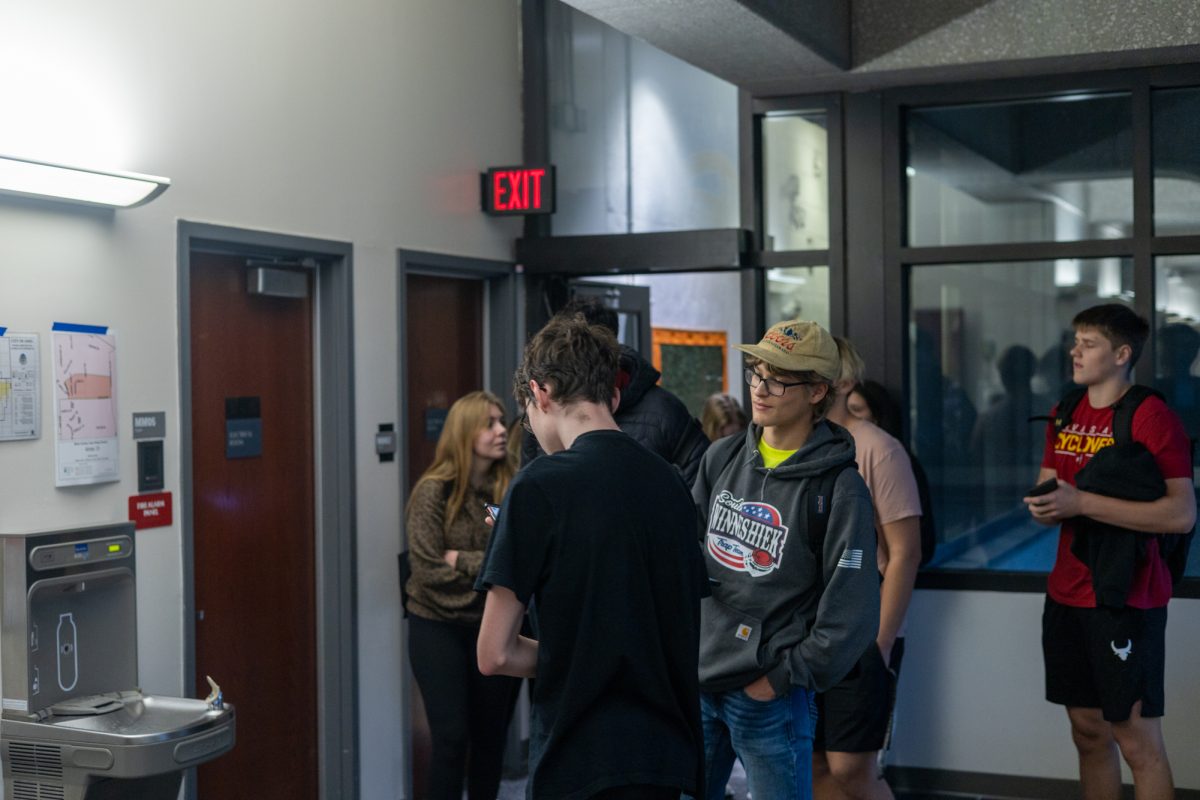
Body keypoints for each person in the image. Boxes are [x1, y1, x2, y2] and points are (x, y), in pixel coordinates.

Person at [476, 314, 706, 800]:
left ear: (540, 394)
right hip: (665, 754)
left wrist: (580, 655)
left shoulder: (538, 486)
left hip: (579, 756)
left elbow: (494, 654)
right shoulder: (671, 483)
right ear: (614, 395)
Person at [691, 319, 880, 800]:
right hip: (700, 681)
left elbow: (851, 610)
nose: (761, 389)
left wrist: (781, 677)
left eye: (779, 379)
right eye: (756, 373)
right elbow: (685, 557)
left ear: (818, 391)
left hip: (768, 693)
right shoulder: (720, 459)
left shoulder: (840, 489)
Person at [1024, 304, 1196, 799]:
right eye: (1075, 341)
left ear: (1122, 354)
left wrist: (1081, 501)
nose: (1075, 351)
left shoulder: (1151, 415)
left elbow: (1181, 514)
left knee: (1138, 741)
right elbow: (1049, 485)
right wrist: (1045, 505)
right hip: (1066, 592)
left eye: (1089, 343)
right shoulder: (1066, 410)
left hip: (1126, 597)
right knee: (1088, 732)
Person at [813, 338, 923, 800]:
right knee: (813, 762)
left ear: (841, 382)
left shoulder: (879, 448)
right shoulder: (803, 444)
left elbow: (905, 553)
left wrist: (878, 643)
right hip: (808, 627)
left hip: (860, 629)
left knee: (852, 767)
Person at [403, 390, 520, 800]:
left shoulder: (506, 490)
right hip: (437, 627)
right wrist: (487, 570)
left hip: (495, 627)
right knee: (452, 740)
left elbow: (516, 557)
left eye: (502, 421)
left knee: (491, 743)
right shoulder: (433, 492)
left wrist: (462, 561)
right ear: (464, 431)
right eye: (489, 423)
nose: (502, 430)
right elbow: (428, 569)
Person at [520, 297, 710, 486]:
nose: (572, 361)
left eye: (580, 347)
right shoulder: (541, 414)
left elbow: (701, 490)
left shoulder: (664, 412)